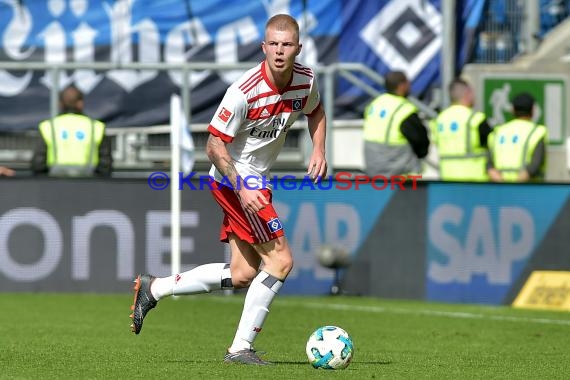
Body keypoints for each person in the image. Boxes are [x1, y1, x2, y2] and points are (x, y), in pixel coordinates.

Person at [129, 14, 327, 366]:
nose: (280, 52)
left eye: (287, 45)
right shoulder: (243, 91)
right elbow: (213, 146)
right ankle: (239, 349)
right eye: (274, 44)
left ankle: (154, 287)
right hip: (235, 180)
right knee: (281, 261)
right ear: (263, 47)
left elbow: (317, 112)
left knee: (243, 274)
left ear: (299, 48)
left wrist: (319, 149)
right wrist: (242, 186)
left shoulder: (306, 81)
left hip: (256, 181)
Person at [31, 85, 112, 177]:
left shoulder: (48, 126)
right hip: (90, 184)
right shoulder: (96, 127)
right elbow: (105, 165)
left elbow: (38, 164)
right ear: (80, 103)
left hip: (54, 184)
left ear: (60, 103)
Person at [362, 70, 430, 176]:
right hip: (400, 173)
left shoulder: (375, 104)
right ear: (402, 85)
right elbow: (421, 143)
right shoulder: (404, 110)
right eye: (408, 83)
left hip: (373, 169)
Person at [432, 78, 493, 181]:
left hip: (447, 179)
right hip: (475, 180)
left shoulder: (439, 119)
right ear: (467, 94)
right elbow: (493, 146)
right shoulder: (476, 119)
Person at [487, 92, 547, 182]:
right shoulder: (537, 132)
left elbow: (489, 166)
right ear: (533, 110)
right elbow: (534, 166)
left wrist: (503, 186)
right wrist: (515, 187)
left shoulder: (498, 132)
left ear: (512, 110)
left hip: (499, 190)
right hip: (528, 191)